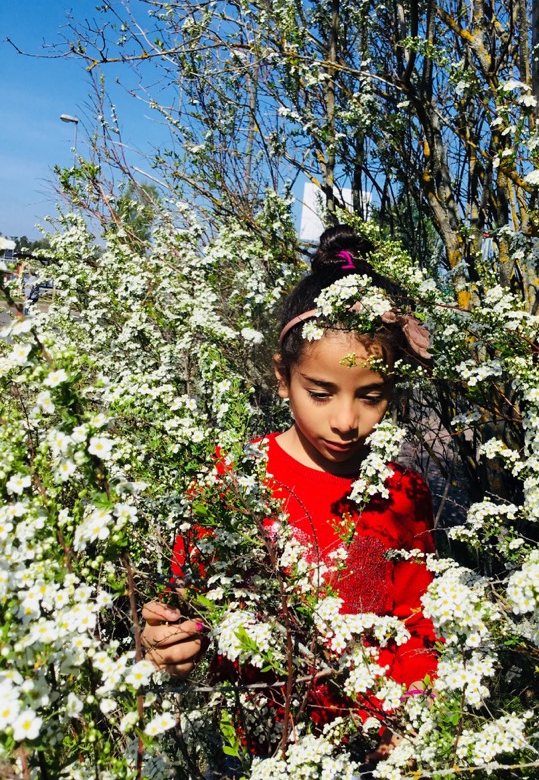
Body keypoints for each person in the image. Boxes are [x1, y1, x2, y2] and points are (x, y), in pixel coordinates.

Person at [141, 226, 437, 758]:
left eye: (372, 396)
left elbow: (418, 627)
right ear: (283, 377)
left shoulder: (403, 493)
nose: (346, 420)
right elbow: (188, 607)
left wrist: (411, 713)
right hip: (250, 749)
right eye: (320, 392)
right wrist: (170, 645)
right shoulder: (233, 481)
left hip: (371, 750)